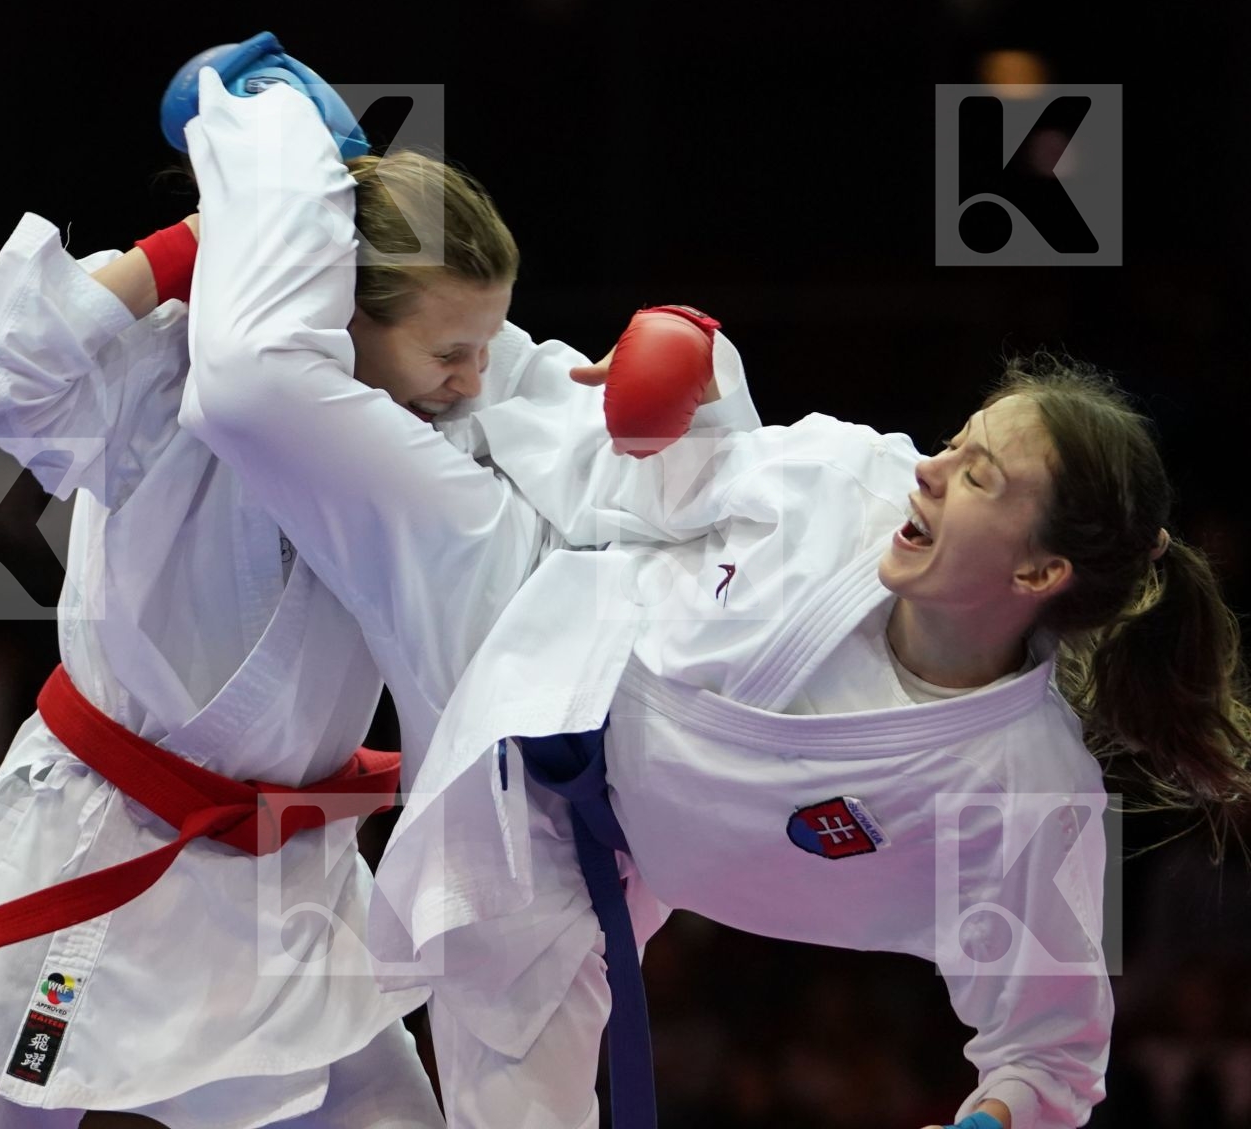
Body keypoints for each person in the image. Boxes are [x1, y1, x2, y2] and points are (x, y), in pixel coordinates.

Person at [175, 71, 1251, 1129]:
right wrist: (692, 374)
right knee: (259, 387)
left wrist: (990, 1120)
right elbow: (687, 469)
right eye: (956, 443)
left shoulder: (1025, 791)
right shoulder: (855, 483)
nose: (927, 469)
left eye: (976, 477)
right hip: (518, 589)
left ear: (1037, 575)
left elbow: (1053, 1053)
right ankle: (269, 125)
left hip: (558, 859)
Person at [0, 34, 591, 1129]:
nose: (474, 375)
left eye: (487, 343)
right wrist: (197, 243)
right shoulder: (184, 370)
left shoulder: (450, 432)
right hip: (99, 855)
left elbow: (576, 441)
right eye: (451, 348)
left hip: (290, 888)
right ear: (349, 316)